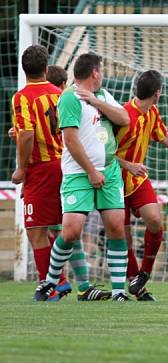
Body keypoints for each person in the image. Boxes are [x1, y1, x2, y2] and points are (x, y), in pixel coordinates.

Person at [33, 52, 131, 301]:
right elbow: (71, 140)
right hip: (79, 174)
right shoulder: (68, 98)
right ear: (95, 72)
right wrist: (91, 171)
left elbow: (125, 118)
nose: (103, 74)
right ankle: (49, 282)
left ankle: (119, 291)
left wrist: (98, 103)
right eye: (102, 70)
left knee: (117, 227)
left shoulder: (102, 95)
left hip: (109, 172)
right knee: (71, 230)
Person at [114, 70, 168, 301]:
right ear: (158, 92)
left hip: (137, 179)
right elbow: (101, 152)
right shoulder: (122, 115)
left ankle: (144, 274)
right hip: (114, 182)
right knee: (125, 237)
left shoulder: (152, 112)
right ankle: (137, 285)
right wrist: (128, 164)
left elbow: (164, 136)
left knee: (154, 220)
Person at [12, 46, 75, 301]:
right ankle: (64, 281)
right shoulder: (61, 94)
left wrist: (21, 168)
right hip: (67, 164)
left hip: (42, 168)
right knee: (60, 227)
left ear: (23, 69)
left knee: (36, 229)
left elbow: (27, 134)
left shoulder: (23, 97)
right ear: (46, 69)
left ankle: (52, 285)